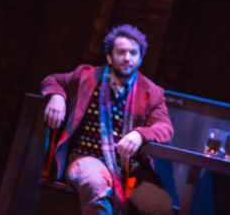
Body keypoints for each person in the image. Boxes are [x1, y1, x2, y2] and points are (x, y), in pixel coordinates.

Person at [42, 24, 174, 215]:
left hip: (129, 168)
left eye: (133, 53)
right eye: (121, 52)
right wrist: (57, 96)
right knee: (94, 183)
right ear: (109, 56)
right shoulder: (87, 76)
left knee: (161, 206)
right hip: (86, 157)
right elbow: (54, 80)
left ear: (140, 58)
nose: (127, 58)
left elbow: (165, 128)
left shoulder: (151, 91)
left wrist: (140, 134)